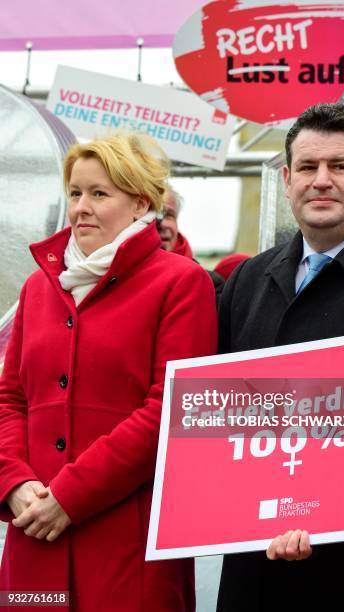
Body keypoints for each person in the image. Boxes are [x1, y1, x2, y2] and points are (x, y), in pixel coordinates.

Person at [0, 133, 217, 611]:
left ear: (140, 204)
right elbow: (10, 399)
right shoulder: (39, 287)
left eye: (100, 194)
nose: (81, 207)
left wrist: (71, 496)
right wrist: (13, 482)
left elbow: (172, 409)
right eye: (75, 193)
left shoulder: (182, 283)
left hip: (128, 547)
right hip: (33, 535)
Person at [217, 103, 344, 612]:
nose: (321, 180)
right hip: (254, 559)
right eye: (307, 168)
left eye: (340, 166)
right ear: (286, 180)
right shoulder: (247, 280)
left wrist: (323, 510)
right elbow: (217, 411)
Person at [157, 185, 224, 299]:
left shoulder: (210, 284)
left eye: (169, 215)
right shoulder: (121, 278)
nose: (162, 224)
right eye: (152, 215)